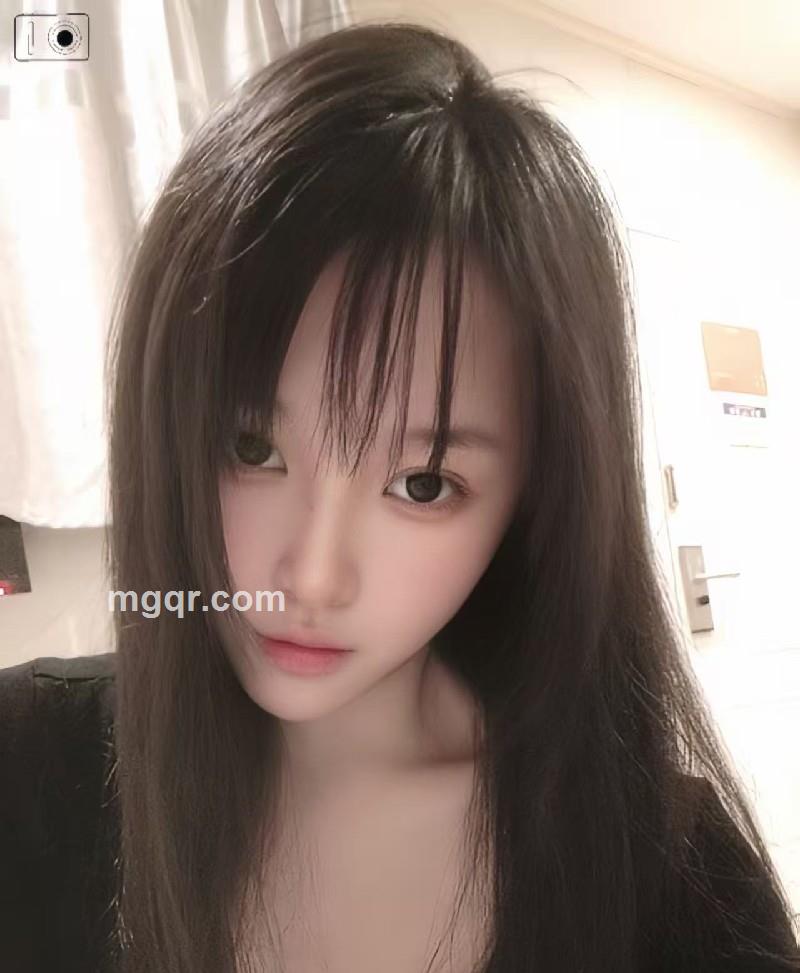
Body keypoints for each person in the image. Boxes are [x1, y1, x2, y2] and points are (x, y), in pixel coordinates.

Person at [1, 20, 798, 973]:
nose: (313, 574)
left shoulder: (673, 885)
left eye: (423, 484)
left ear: (531, 501)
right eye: (252, 446)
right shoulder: (30, 765)